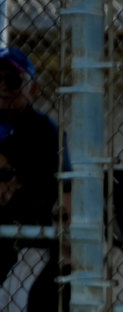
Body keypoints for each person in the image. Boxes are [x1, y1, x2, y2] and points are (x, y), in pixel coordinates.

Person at [0, 50, 60, 226]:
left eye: (13, 81)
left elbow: (40, 181)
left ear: (32, 89)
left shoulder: (44, 130)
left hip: (29, 219)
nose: (2, 86)